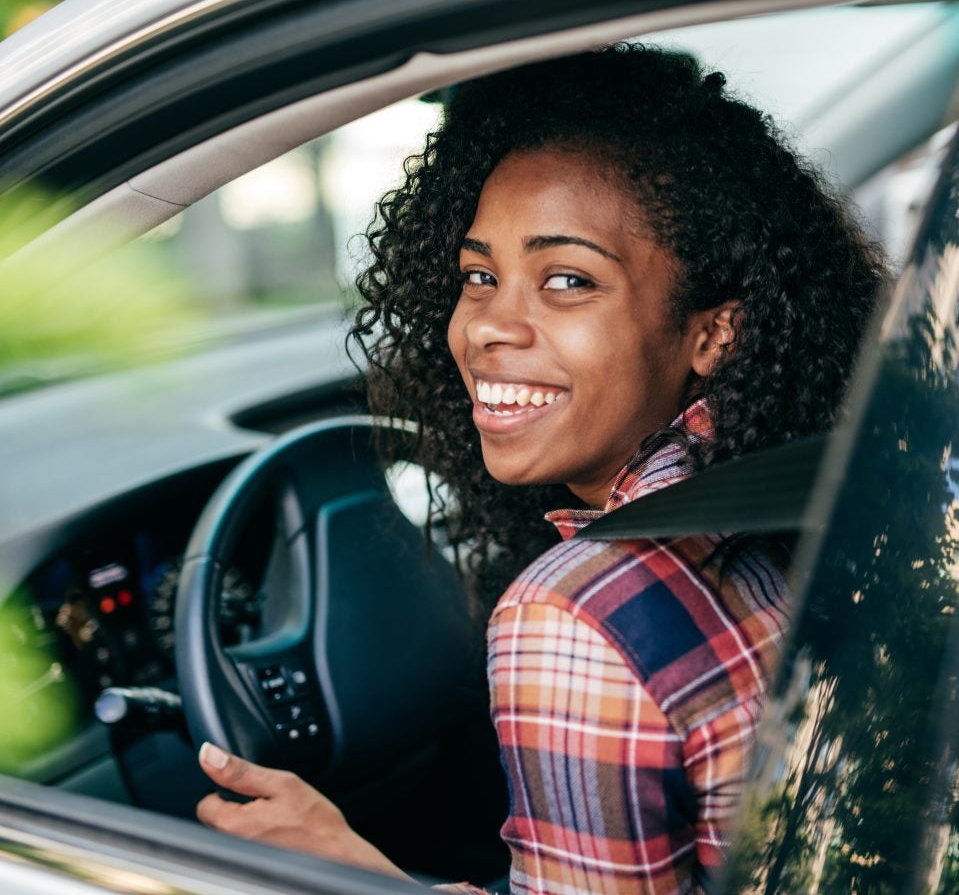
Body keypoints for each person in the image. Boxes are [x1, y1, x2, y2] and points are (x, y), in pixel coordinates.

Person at [193, 44, 886, 893]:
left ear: (713, 333)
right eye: (480, 275)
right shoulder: (808, 494)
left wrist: (349, 873)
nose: (487, 326)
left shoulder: (571, 619)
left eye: (566, 279)